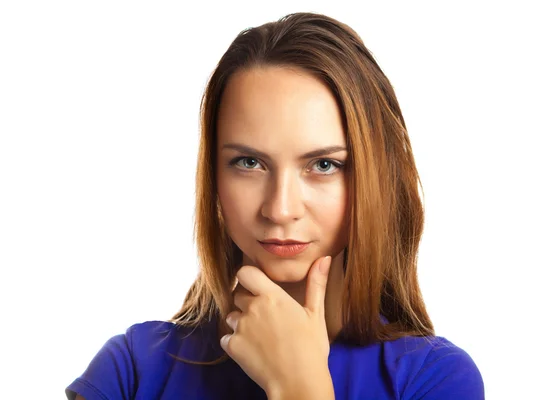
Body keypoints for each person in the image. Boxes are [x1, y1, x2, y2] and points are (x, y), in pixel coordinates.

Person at [66, 11, 484, 400]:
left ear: (375, 178)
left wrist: (298, 385)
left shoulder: (434, 380)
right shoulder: (131, 370)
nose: (280, 209)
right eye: (248, 163)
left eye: (324, 164)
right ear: (213, 176)